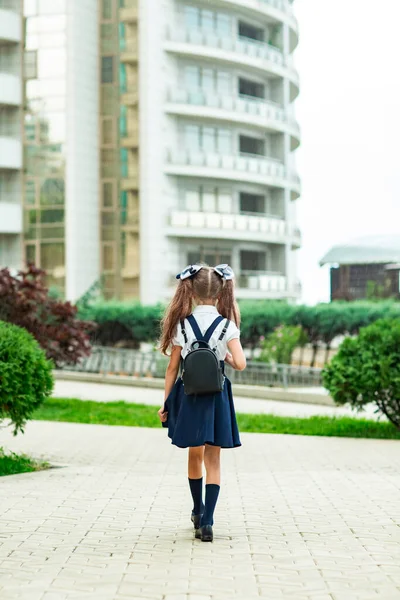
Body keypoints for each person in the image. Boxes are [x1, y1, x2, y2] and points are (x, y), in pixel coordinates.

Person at [158, 263, 246, 542]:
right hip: (217, 397)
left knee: (194, 454)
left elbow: (172, 368)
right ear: (221, 293)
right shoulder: (227, 325)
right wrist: (228, 359)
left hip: (189, 396)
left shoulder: (183, 325)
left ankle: (197, 510)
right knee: (214, 458)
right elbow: (241, 364)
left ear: (192, 293)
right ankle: (208, 522)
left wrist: (167, 403)